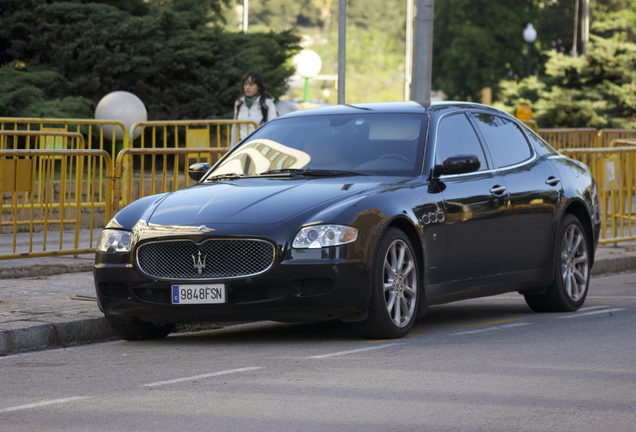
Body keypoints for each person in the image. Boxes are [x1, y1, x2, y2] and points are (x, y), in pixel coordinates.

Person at [231, 71, 277, 145]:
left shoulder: (267, 103)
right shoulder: (239, 103)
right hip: (243, 146)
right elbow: (235, 127)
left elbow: (273, 128)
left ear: (258, 86)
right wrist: (232, 149)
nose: (247, 88)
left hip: (261, 146)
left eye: (251, 85)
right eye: (245, 84)